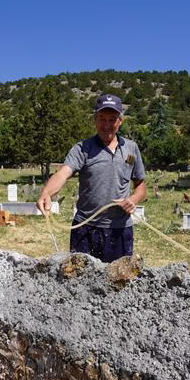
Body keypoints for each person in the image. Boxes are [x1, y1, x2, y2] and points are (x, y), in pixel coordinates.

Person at [37, 94, 146, 263]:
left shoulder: (132, 148)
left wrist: (133, 199)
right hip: (85, 229)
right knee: (80, 282)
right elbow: (63, 173)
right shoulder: (83, 148)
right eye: (102, 119)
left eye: (112, 119)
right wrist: (46, 193)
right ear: (95, 120)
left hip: (119, 230)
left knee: (118, 283)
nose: (107, 125)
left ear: (120, 121)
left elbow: (140, 185)